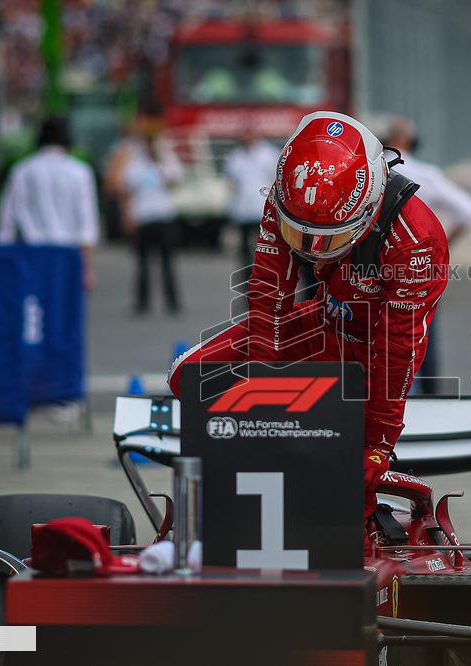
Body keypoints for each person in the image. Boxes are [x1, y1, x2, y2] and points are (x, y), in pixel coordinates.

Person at [168, 112, 450, 553]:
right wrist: (257, 396)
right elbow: (267, 301)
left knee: (356, 471)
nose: (310, 249)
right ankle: (255, 480)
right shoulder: (289, 195)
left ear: (370, 201)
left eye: (326, 239)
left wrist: (376, 446)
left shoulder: (415, 238)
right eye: (299, 234)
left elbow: (398, 353)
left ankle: (354, 497)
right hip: (322, 322)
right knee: (190, 378)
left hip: (373, 349)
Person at [383, 116, 471, 394]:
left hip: (375, 266)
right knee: (424, 332)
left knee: (378, 334)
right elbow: (469, 211)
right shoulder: (426, 174)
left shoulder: (370, 173)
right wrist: (442, 246)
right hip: (419, 266)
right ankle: (429, 400)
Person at [0, 116, 99, 290]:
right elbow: (86, 225)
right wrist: (87, 270)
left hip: (31, 256)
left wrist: (1, 264)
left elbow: (6, 222)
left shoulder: (22, 170)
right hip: (67, 257)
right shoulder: (80, 172)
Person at [106, 119, 184, 315]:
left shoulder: (167, 159)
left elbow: (176, 180)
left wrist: (160, 165)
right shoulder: (134, 162)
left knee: (167, 262)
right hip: (142, 216)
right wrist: (127, 216)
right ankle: (142, 302)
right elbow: (125, 191)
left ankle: (172, 302)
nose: (149, 145)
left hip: (163, 215)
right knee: (142, 263)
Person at [224, 125, 280, 280]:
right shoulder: (236, 157)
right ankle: (246, 286)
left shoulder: (269, 154)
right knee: (244, 255)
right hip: (242, 210)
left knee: (265, 251)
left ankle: (265, 282)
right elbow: (232, 183)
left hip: (262, 211)